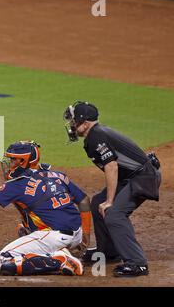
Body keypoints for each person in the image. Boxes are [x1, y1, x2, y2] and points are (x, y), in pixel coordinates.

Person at [0, 141, 92, 276]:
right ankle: (61, 251)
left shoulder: (18, 184)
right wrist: (85, 237)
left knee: (1, 261)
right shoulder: (58, 175)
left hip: (53, 237)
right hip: (75, 235)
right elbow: (84, 201)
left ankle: (60, 261)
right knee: (24, 229)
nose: (9, 163)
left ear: (24, 161)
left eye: (13, 159)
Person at [63, 101, 161, 277]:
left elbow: (111, 166)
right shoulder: (95, 134)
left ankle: (137, 263)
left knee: (114, 214)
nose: (72, 125)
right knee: (97, 203)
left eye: (74, 121)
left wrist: (110, 201)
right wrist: (105, 200)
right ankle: (109, 251)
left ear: (84, 123)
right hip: (132, 176)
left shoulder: (96, 136)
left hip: (143, 178)